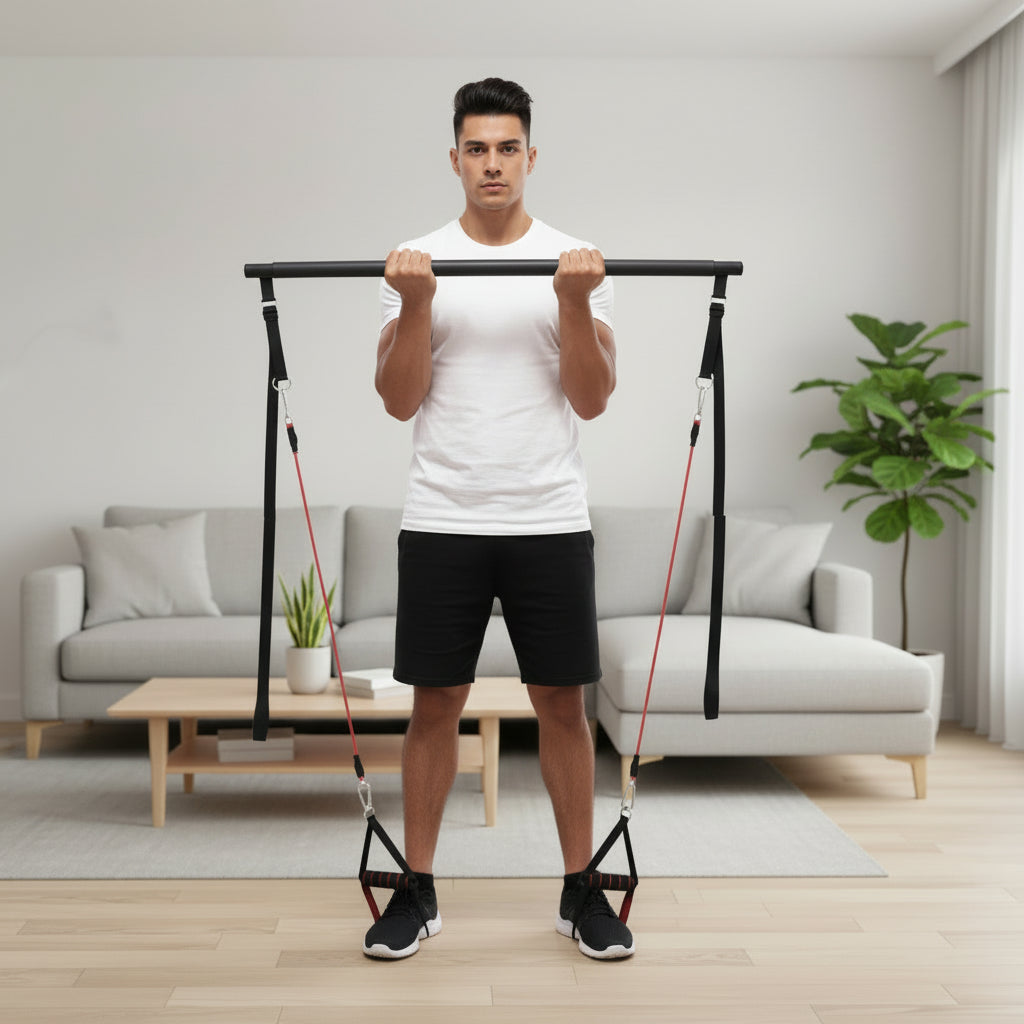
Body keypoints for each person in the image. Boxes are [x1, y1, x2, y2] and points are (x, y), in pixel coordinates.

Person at [365, 77, 634, 962]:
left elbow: (591, 401)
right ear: (455, 158)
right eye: (475, 148)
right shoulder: (414, 259)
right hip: (442, 516)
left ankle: (579, 889)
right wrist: (413, 304)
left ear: (529, 156)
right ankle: (418, 889)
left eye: (506, 147)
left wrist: (569, 301)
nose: (491, 163)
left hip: (548, 516)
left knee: (562, 703)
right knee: (433, 704)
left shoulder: (575, 261)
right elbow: (400, 401)